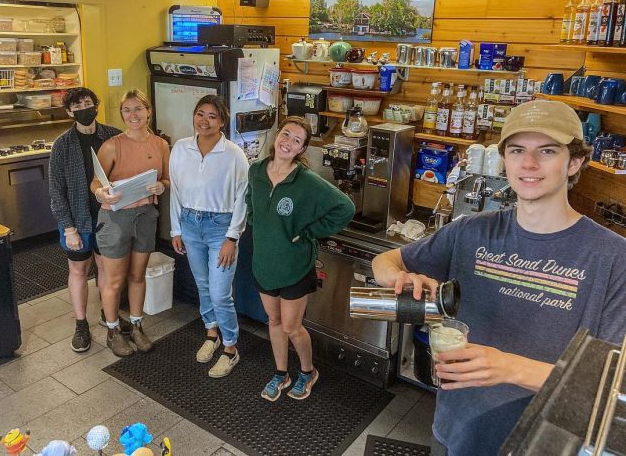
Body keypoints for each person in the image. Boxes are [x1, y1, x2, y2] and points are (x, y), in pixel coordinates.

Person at [372, 100, 626, 455]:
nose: (529, 164)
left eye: (547, 151)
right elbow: (385, 260)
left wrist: (509, 367)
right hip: (454, 430)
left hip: (544, 443)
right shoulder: (470, 231)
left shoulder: (614, 257)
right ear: (504, 159)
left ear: (575, 161)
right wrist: (399, 278)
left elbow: (612, 387)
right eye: (517, 150)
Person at [247, 116, 355, 401]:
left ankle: (307, 371)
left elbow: (345, 208)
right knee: (273, 321)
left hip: (295, 267)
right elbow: (251, 203)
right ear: (276, 136)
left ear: (302, 149)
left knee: (292, 326)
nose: (288, 142)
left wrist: (310, 233)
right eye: (286, 134)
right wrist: (253, 221)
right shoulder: (256, 171)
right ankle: (281, 373)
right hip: (264, 264)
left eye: (297, 140)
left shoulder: (306, 181)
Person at [169, 94, 248, 378]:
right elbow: (175, 191)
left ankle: (230, 348)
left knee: (219, 292)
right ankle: (211, 333)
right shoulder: (180, 148)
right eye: (200, 113)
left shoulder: (234, 155)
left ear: (223, 121)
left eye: (212, 116)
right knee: (202, 285)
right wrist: (175, 228)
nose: (205, 121)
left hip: (220, 228)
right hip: (189, 223)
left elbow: (243, 198)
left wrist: (232, 237)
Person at [91, 89, 170, 357]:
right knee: (114, 280)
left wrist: (160, 186)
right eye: (127, 110)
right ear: (122, 114)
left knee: (137, 276)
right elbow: (96, 183)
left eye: (138, 109)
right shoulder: (112, 145)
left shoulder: (160, 145)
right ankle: (113, 331)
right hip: (116, 218)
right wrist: (101, 192)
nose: (133, 115)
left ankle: (136, 326)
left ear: (148, 111)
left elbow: (167, 180)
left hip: (146, 215)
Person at [49, 87, 129, 352]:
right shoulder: (62, 145)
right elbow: (56, 190)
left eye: (88, 103)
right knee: (78, 271)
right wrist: (69, 228)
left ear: (96, 105)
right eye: (77, 105)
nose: (84, 108)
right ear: (69, 111)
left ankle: (109, 316)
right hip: (77, 219)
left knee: (106, 268)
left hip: (108, 216)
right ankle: (81, 324)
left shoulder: (113, 136)